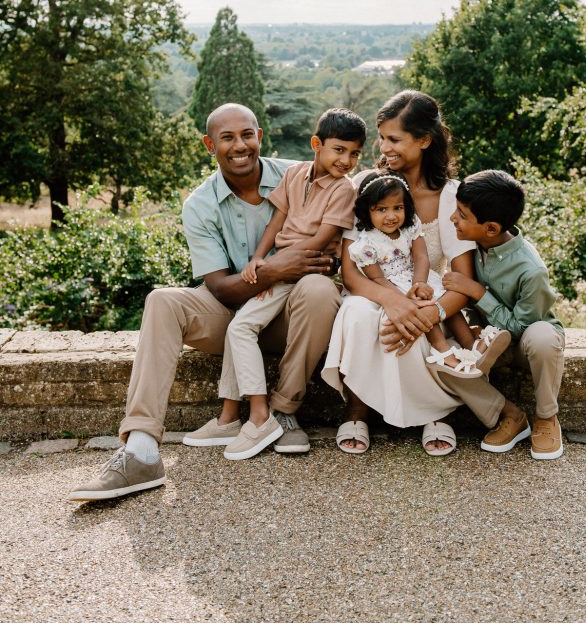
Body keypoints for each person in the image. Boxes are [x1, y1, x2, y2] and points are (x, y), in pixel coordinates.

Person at [68, 103, 345, 502]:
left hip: (292, 316)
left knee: (319, 289)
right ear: (209, 145)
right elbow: (221, 290)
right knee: (162, 301)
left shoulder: (301, 175)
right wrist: (272, 269)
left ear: (260, 136)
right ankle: (141, 449)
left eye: (247, 135)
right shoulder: (200, 204)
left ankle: (282, 411)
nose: (240, 146)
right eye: (227, 138)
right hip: (229, 315)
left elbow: (353, 192)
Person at [322, 90, 526, 456]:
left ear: (424, 140)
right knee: (357, 315)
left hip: (427, 290)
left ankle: (435, 412)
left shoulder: (451, 196)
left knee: (423, 325)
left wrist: (427, 311)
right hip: (374, 289)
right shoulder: (369, 186)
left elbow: (462, 280)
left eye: (394, 139)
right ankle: (357, 410)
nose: (384, 148)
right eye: (382, 138)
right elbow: (352, 275)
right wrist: (392, 302)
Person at [211, 108, 365, 461]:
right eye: (339, 150)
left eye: (354, 153)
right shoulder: (295, 175)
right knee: (241, 327)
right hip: (282, 267)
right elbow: (276, 221)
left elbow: (325, 236)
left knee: (240, 328)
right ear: (316, 144)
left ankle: (261, 414)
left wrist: (282, 265)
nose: (347, 160)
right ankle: (240, 415)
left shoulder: (344, 190)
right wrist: (260, 260)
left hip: (308, 270)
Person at [443, 169, 565, 460]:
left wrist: (477, 292)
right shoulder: (469, 245)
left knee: (542, 337)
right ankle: (509, 414)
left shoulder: (530, 270)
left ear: (491, 229)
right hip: (485, 340)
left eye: (461, 214)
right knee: (438, 353)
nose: (452, 219)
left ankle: (546, 417)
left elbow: (522, 328)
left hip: (524, 345)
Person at [347, 171, 510, 378]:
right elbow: (377, 278)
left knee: (441, 300)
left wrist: (420, 283)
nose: (391, 216)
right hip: (391, 287)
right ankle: (441, 350)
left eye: (398, 208)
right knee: (422, 306)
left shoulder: (411, 226)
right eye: (381, 210)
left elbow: (421, 257)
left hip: (417, 276)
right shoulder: (365, 244)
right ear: (367, 212)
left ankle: (473, 346)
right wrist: (403, 297)